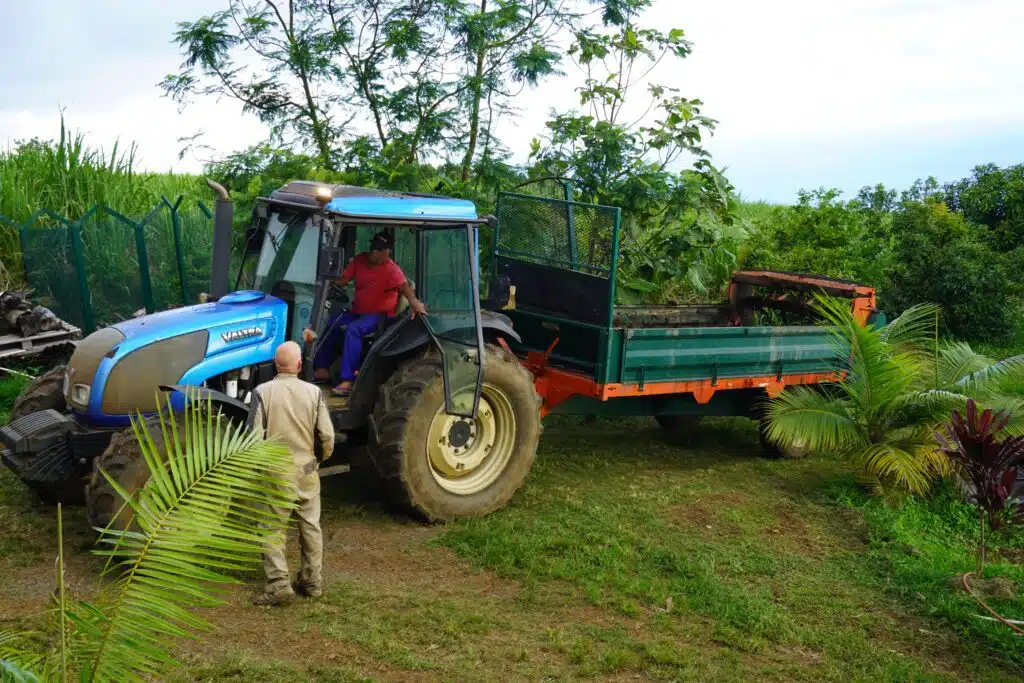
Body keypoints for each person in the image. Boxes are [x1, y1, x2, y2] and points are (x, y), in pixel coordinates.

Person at [249, 341, 335, 606]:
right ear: (299, 365)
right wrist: (318, 460)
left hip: (276, 471)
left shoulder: (262, 392)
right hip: (307, 470)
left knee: (272, 528)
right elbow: (327, 435)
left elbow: (254, 439)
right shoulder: (314, 392)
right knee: (310, 526)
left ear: (276, 365)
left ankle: (278, 585)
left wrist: (258, 469)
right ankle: (312, 582)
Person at [310, 232, 426, 397]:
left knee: (354, 330)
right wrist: (327, 282)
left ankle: (348, 380)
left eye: (379, 249)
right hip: (357, 311)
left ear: (388, 252)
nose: (374, 251)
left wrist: (415, 303)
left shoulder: (392, 270)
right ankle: (322, 368)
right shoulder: (359, 260)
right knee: (334, 322)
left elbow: (406, 288)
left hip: (379, 316)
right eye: (373, 247)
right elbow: (343, 280)